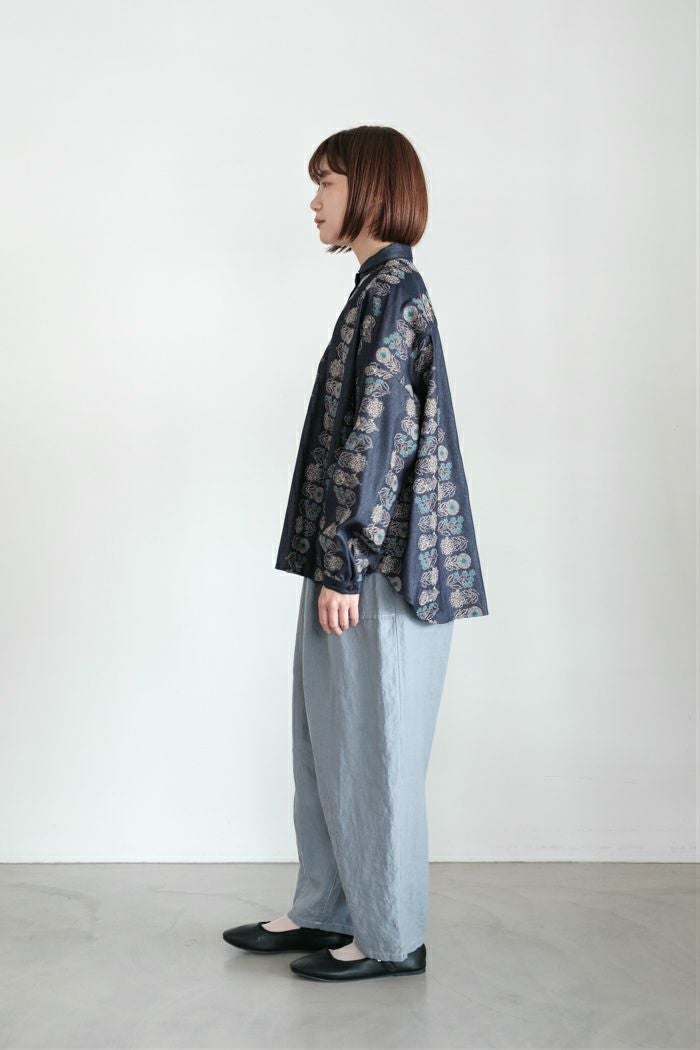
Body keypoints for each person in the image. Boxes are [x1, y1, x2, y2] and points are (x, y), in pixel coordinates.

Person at [223, 125, 489, 982]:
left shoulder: (394, 293)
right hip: (353, 563)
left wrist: (342, 560)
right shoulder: (376, 288)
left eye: (327, 183)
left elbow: (380, 436)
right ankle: (328, 910)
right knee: (327, 747)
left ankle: (390, 935)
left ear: (368, 191)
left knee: (374, 752)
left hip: (379, 571)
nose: (314, 201)